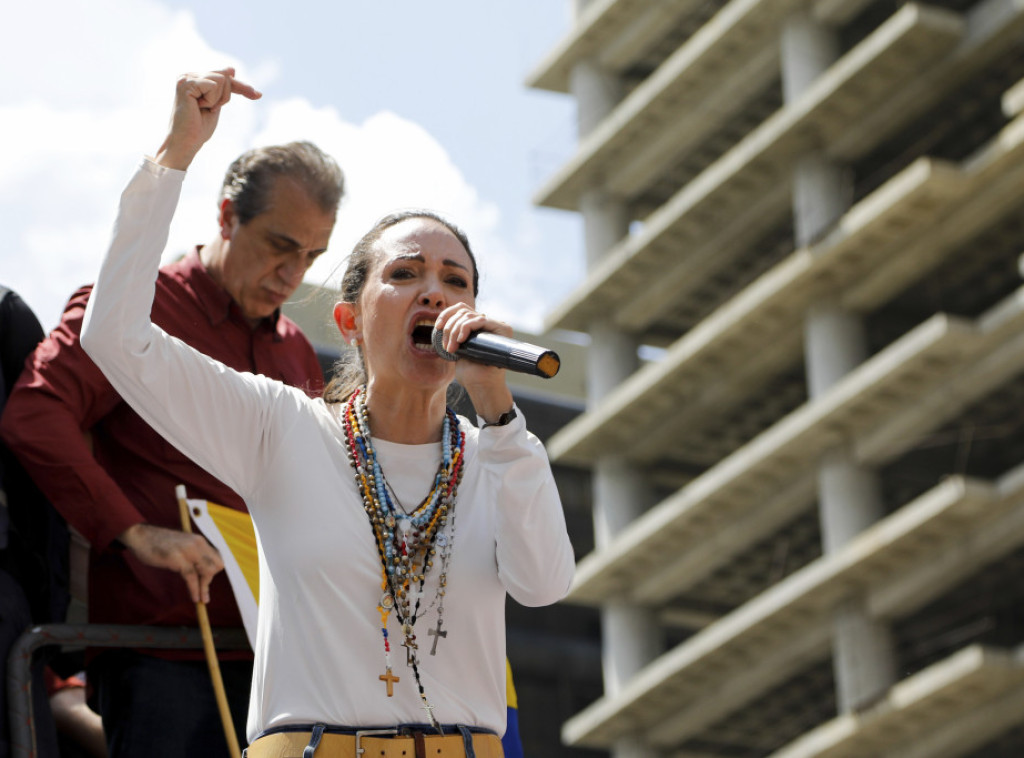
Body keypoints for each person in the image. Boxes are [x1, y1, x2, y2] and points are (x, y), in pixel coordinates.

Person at [79, 68, 574, 757]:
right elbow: (113, 338)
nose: (434, 293)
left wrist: (498, 411)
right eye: (405, 275)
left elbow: (545, 582)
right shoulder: (281, 428)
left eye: (454, 281)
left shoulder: (500, 452)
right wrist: (175, 155)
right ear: (349, 320)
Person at [0, 75, 344, 756]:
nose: (292, 274)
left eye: (312, 257)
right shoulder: (133, 306)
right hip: (160, 652)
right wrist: (133, 531)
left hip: (283, 666)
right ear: (225, 216)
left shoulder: (300, 350)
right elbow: (35, 412)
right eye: (280, 245)